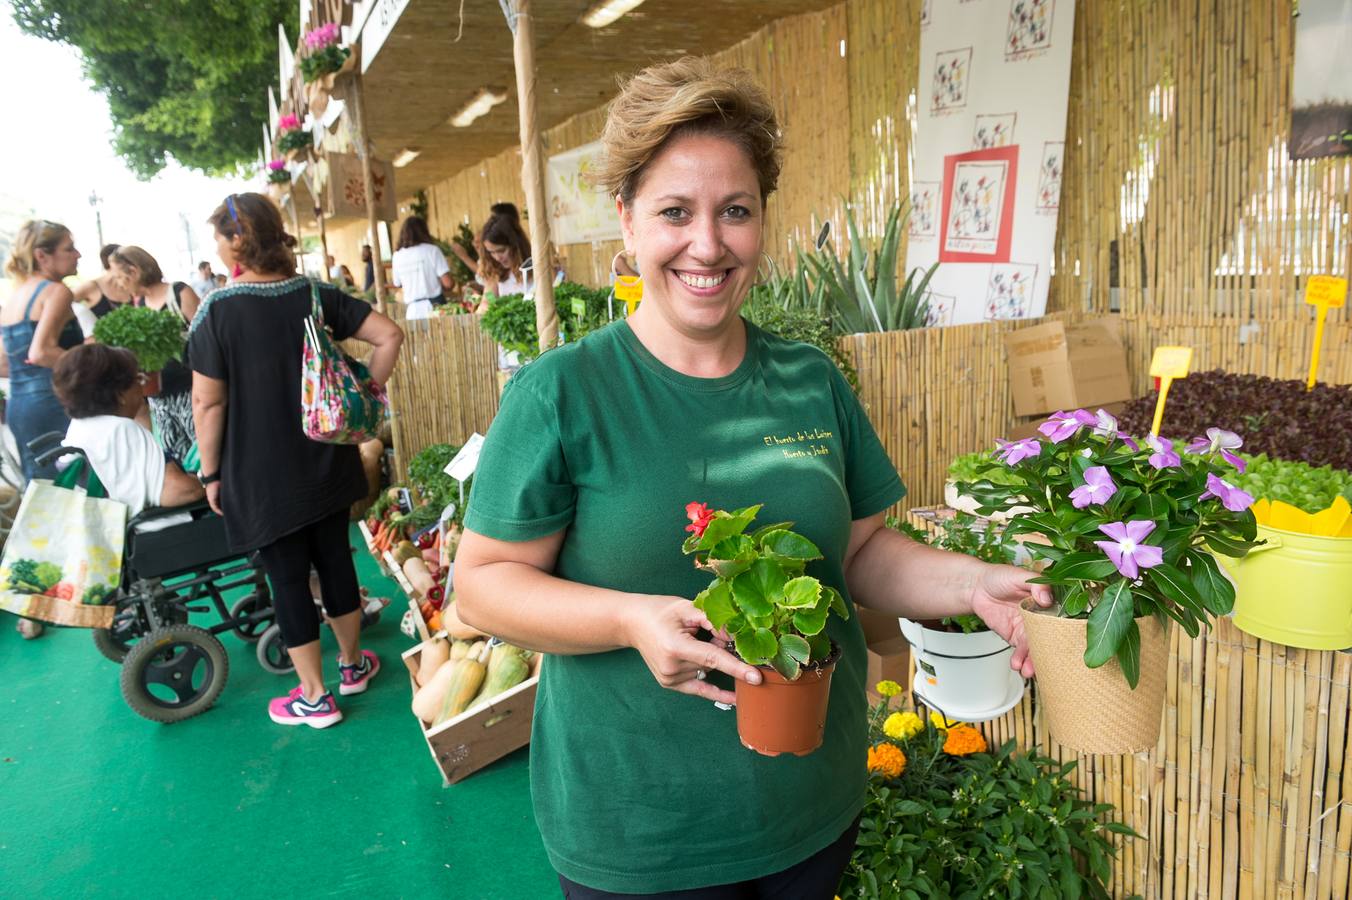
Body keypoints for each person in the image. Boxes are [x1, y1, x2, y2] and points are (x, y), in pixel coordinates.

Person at [452, 58, 1052, 899]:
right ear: (625, 220)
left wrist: (976, 581)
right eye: (674, 212)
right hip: (640, 835)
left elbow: (861, 554)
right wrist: (630, 620)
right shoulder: (562, 394)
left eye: (735, 211)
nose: (709, 244)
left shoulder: (809, 380)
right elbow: (479, 589)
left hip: (810, 807)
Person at [188, 192, 404, 728]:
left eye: (218, 236)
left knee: (287, 579)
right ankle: (354, 666)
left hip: (258, 473)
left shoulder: (218, 310)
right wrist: (362, 394)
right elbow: (388, 335)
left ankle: (314, 696)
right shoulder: (312, 294)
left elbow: (208, 401)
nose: (215, 248)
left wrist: (210, 473)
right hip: (327, 455)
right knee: (335, 560)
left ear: (239, 240)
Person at [52, 343, 203, 515]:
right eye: (138, 379)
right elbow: (182, 492)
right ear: (120, 394)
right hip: (158, 533)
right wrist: (198, 483)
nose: (142, 388)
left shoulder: (80, 427)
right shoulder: (121, 431)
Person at [1, 220, 85, 480]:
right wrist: (96, 365)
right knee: (78, 486)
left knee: (43, 493)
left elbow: (3, 363)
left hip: (20, 407)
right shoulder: (56, 292)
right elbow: (41, 352)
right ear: (42, 256)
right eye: (69, 249)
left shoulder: (15, 297)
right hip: (55, 402)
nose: (78, 254)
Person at [110, 245, 200, 462]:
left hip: (190, 391)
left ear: (134, 270)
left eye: (120, 276)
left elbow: (204, 339)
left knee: (201, 452)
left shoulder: (179, 293)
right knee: (175, 454)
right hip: (160, 399)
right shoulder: (140, 304)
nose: (118, 283)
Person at [389, 216, 452, 320]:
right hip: (435, 308)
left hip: (412, 311)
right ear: (424, 231)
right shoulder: (432, 251)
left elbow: (397, 283)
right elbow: (448, 283)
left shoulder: (397, 256)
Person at [72, 243, 132, 319]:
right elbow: (63, 303)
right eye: (125, 261)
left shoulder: (130, 284)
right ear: (112, 262)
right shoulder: (91, 286)